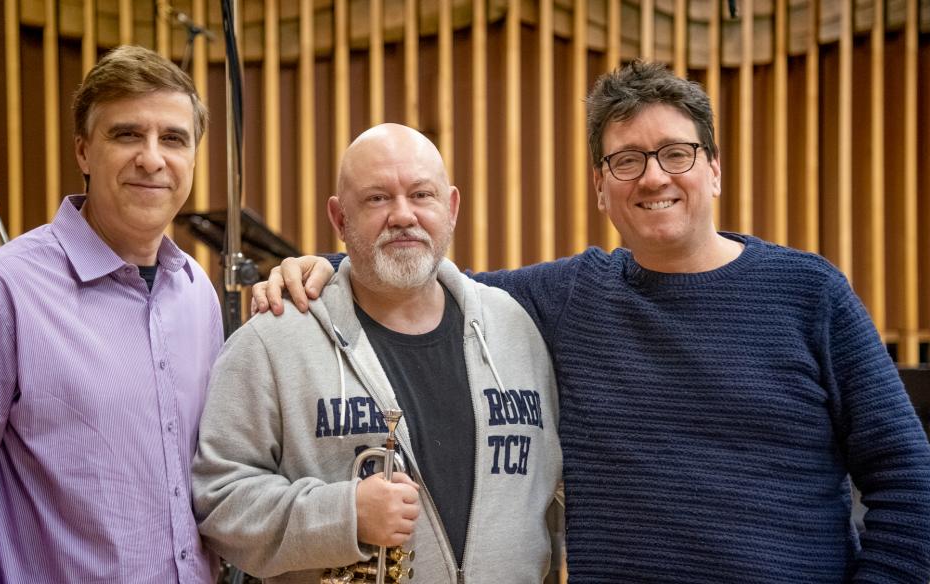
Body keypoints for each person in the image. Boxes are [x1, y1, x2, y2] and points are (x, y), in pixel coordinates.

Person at [252, 61, 930, 582]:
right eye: (626, 160)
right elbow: (418, 279)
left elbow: (906, 473)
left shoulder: (808, 292)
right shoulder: (573, 295)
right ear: (602, 187)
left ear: (714, 170)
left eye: (676, 153)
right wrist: (326, 266)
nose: (653, 176)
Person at [0, 45, 222, 582]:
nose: (152, 158)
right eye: (126, 135)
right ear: (82, 151)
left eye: (173, 139)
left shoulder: (197, 293)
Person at [192, 123, 562, 583]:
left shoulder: (516, 328)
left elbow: (547, 502)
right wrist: (343, 514)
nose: (402, 215)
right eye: (377, 198)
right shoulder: (272, 342)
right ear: (339, 219)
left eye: (421, 195)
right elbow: (219, 500)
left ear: (451, 208)